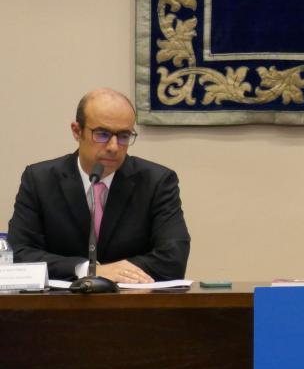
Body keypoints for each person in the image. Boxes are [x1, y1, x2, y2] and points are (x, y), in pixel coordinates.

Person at [7, 88, 190, 283]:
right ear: (77, 131)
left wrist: (116, 272)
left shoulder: (157, 182)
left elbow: (173, 258)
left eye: (124, 136)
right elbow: (19, 254)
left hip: (133, 300)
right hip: (60, 301)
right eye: (102, 134)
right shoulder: (40, 180)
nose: (113, 147)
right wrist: (86, 270)